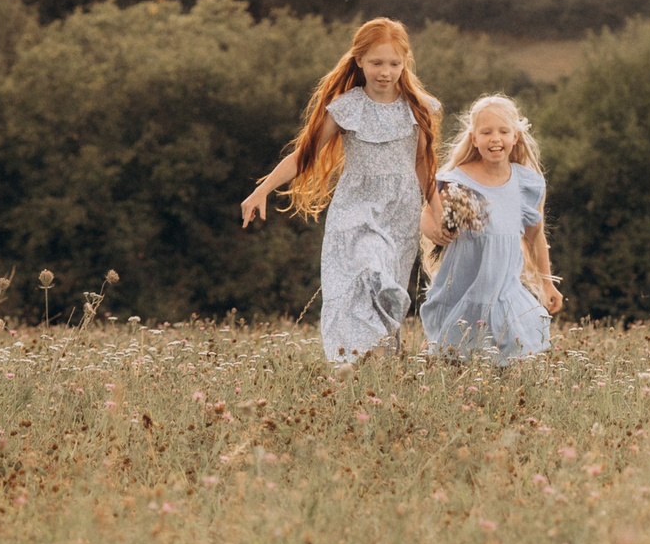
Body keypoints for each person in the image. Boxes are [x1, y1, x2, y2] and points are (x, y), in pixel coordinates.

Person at [241, 18, 441, 363]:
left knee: (385, 288)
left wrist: (438, 214)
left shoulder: (418, 107)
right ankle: (347, 358)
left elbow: (425, 166)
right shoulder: (347, 107)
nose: (385, 72)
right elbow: (304, 155)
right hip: (356, 207)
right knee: (367, 268)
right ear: (359, 60)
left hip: (400, 211)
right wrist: (263, 189)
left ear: (404, 63)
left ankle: (375, 364)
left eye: (394, 64)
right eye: (377, 63)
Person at [419, 93, 562, 363]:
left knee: (510, 358)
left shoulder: (527, 184)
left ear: (515, 137)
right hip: (463, 286)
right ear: (474, 138)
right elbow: (427, 214)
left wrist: (546, 283)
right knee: (456, 359)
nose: (495, 138)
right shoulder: (458, 180)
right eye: (486, 132)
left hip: (504, 290)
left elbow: (534, 236)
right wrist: (435, 231)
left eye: (503, 131)